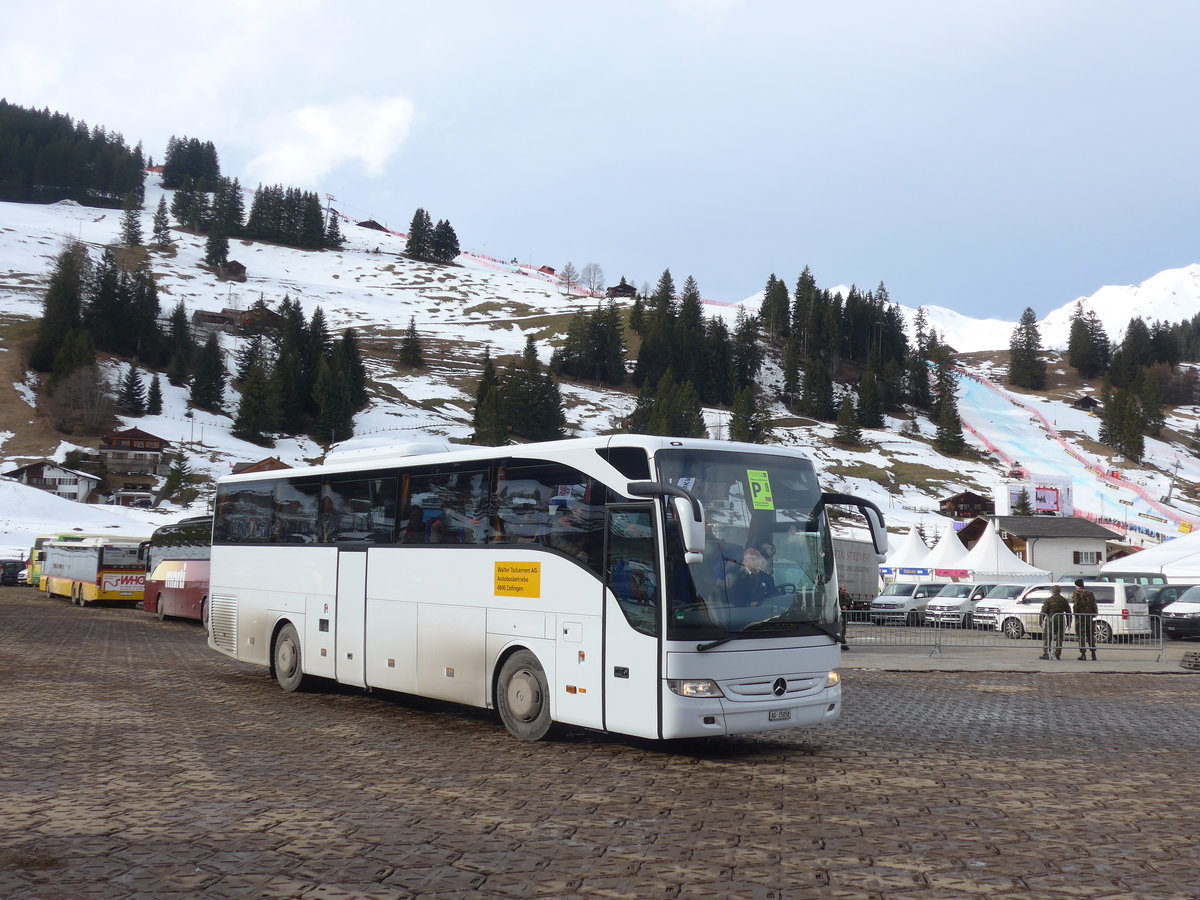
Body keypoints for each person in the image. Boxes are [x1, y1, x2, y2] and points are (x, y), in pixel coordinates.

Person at [1039, 584, 1071, 660]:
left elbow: (1043, 611)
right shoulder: (1064, 600)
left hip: (1050, 620)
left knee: (1048, 637)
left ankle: (1046, 653)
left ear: (1052, 591)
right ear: (1059, 591)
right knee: (1059, 638)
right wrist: (1069, 622)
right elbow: (1068, 612)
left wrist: (1041, 620)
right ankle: (1058, 654)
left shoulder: (1049, 600)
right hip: (1060, 619)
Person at [1072, 578, 1099, 661]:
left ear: (1077, 585)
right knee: (1090, 635)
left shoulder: (1077, 593)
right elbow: (1094, 604)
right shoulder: (1090, 593)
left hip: (1080, 618)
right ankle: (1093, 654)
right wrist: (1094, 614)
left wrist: (1075, 614)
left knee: (1081, 636)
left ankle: (1083, 654)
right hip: (1089, 617)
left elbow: (1076, 605)